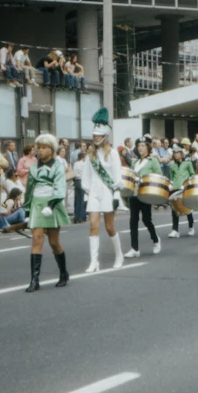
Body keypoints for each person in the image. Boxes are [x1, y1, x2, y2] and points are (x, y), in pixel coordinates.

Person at [22, 133, 70, 292]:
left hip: (52, 204)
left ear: (52, 149)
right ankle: (34, 280)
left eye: (44, 148)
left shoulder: (57, 166)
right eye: (39, 148)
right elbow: (29, 189)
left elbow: (59, 188)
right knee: (36, 240)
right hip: (36, 203)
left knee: (54, 243)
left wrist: (51, 205)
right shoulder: (34, 167)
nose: (41, 151)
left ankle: (63, 273)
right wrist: (27, 209)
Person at [84, 109, 125, 272]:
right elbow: (86, 176)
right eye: (94, 136)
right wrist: (87, 196)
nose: (95, 138)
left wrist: (116, 195)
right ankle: (94, 261)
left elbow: (117, 177)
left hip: (108, 192)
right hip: (94, 193)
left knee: (109, 227)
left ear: (105, 137)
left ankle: (119, 254)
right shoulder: (90, 155)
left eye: (98, 136)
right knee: (93, 225)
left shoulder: (113, 153)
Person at [124, 137, 162, 259]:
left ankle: (156, 240)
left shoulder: (153, 161)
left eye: (143, 145)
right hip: (134, 194)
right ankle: (134, 248)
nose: (140, 148)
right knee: (133, 221)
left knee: (146, 219)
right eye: (138, 146)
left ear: (148, 147)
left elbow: (159, 177)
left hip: (146, 194)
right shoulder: (135, 162)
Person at [167, 144, 195, 238]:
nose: (175, 155)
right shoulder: (172, 165)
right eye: (174, 153)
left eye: (177, 153)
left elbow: (192, 175)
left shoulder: (188, 163)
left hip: (185, 188)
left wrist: (188, 184)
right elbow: (171, 177)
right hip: (175, 189)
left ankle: (191, 226)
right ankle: (175, 229)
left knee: (187, 208)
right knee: (175, 209)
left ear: (181, 153)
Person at [72, 150, 87, 224]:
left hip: (76, 181)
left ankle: (76, 217)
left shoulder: (75, 163)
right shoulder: (83, 164)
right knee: (82, 199)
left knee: (77, 200)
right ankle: (82, 217)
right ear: (83, 157)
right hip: (82, 180)